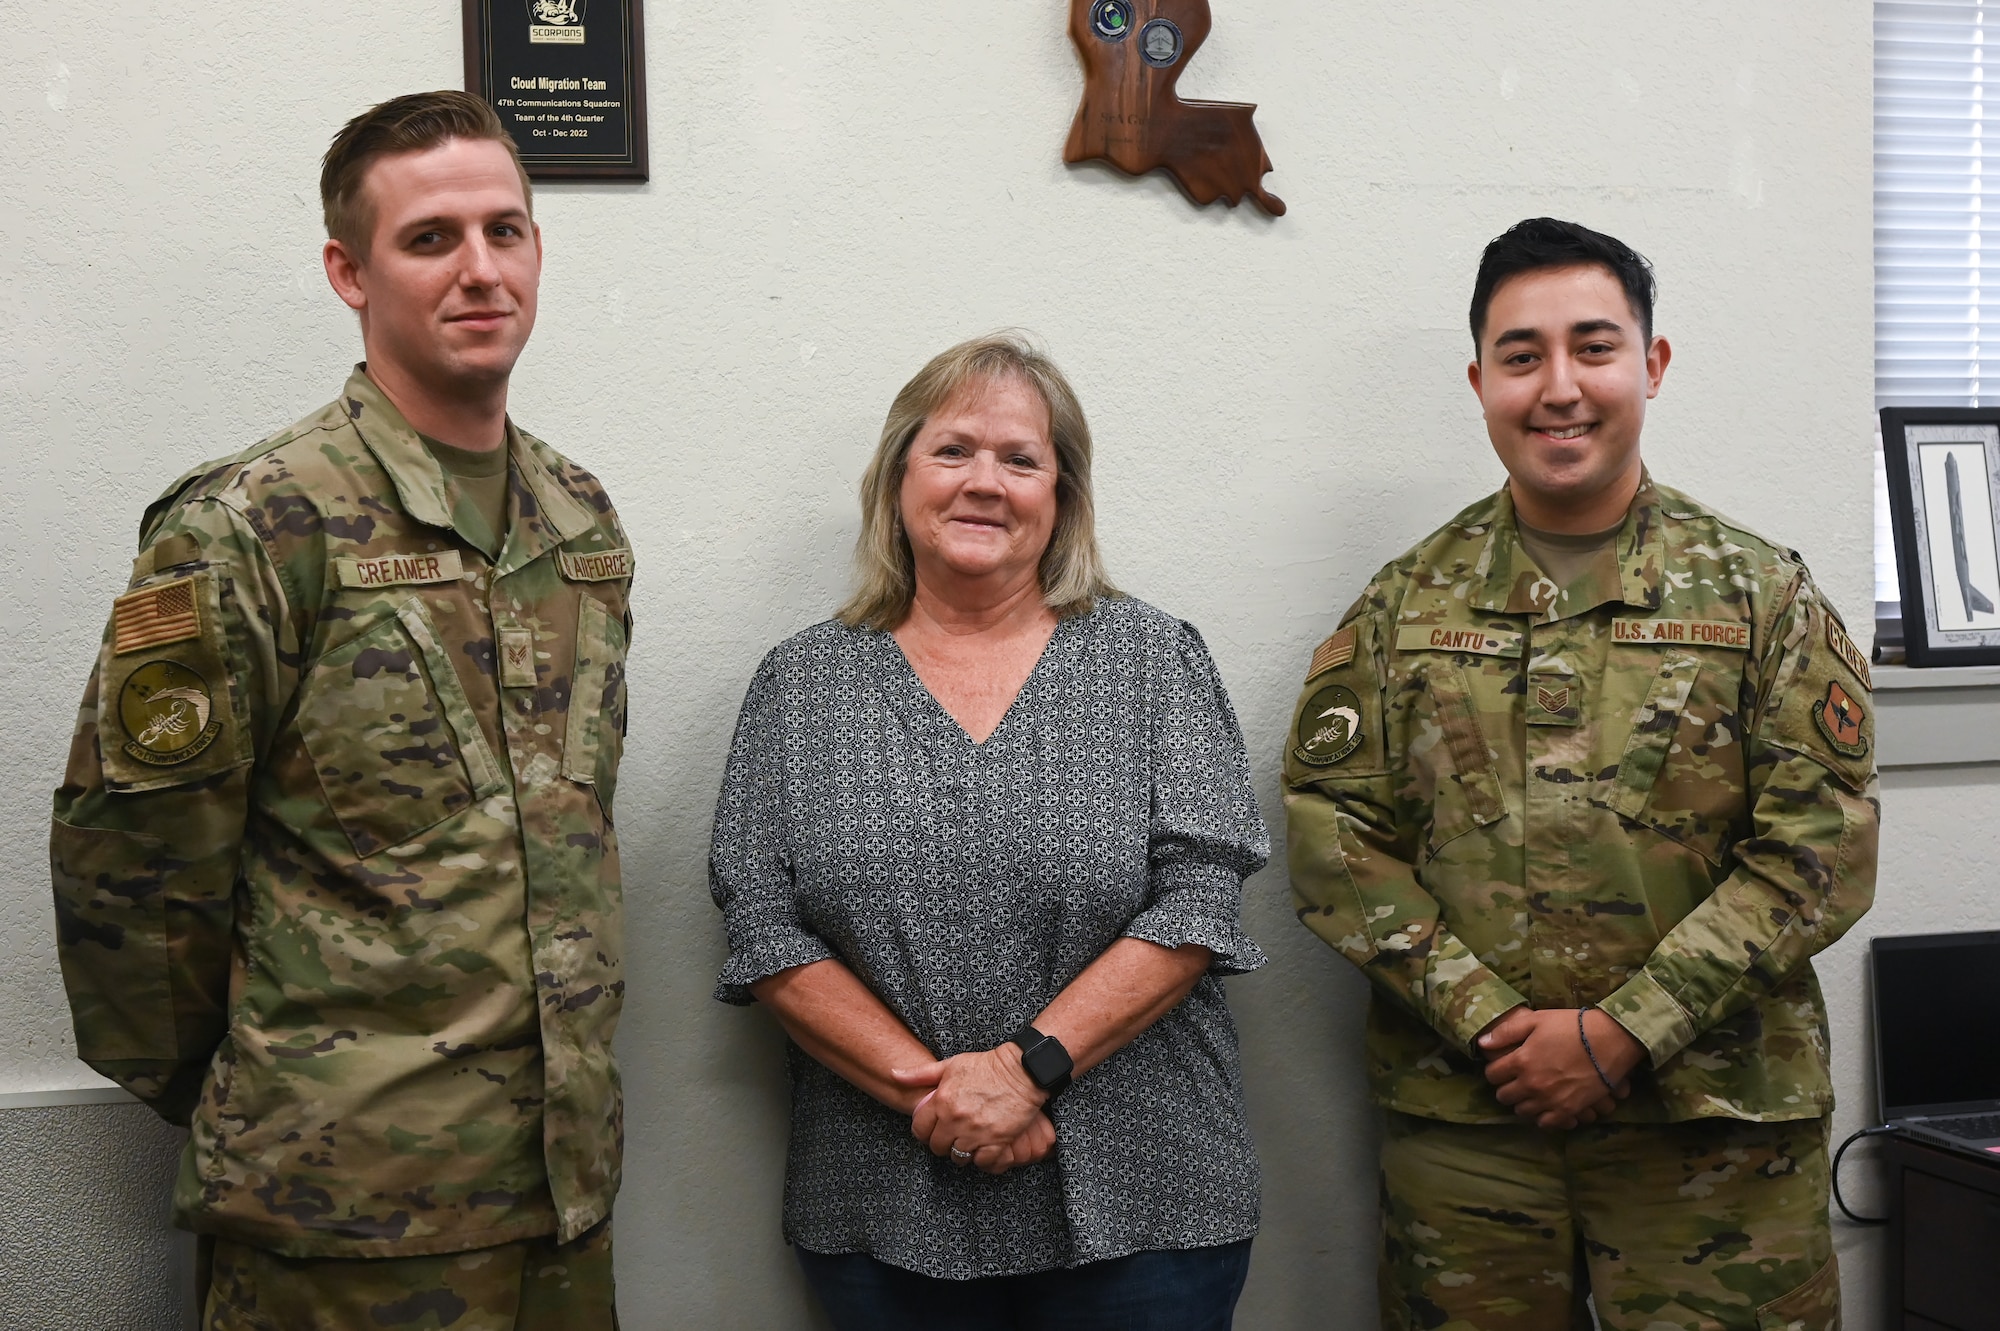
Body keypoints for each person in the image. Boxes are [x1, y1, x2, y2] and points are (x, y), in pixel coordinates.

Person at [48, 91, 632, 1330]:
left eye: (506, 231)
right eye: (431, 239)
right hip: (340, 1213)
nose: (481, 270)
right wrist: (289, 1089)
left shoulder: (579, 523)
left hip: (559, 1195)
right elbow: (134, 878)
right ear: (347, 271)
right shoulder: (252, 523)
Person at [1284, 219, 1877, 1331]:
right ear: (1478, 381)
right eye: (1521, 355)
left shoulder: (1760, 596)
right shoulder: (1401, 603)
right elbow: (1332, 837)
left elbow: (1817, 852)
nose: (1558, 386)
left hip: (1712, 1131)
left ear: (1649, 365)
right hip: (1471, 1134)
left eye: (1592, 347)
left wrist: (1622, 1031)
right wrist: (1487, 1019)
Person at [710, 333, 1269, 1330]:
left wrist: (1021, 1071)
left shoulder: (1152, 660)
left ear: (1061, 497)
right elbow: (763, 928)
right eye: (953, 450)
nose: (985, 483)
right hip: (879, 1203)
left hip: (1143, 1204)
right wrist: (944, 1095)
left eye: (1020, 459)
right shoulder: (799, 684)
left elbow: (1199, 900)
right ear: (896, 481)